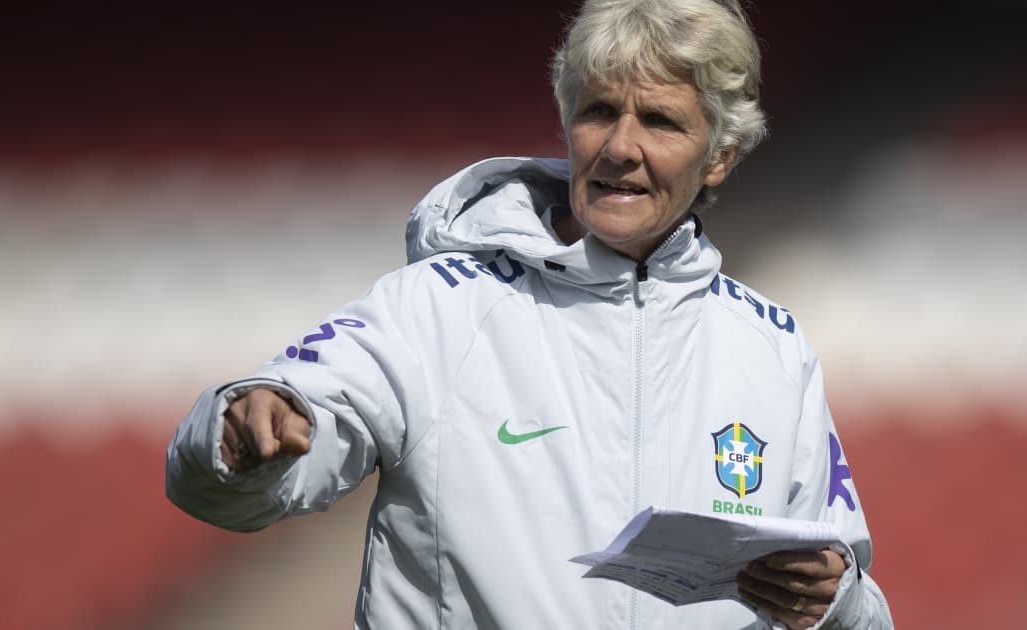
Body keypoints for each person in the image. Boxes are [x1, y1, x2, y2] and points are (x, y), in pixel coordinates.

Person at [166, 1, 894, 628]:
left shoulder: (772, 348)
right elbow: (253, 468)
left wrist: (833, 602)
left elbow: (849, 599)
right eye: (600, 112)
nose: (620, 147)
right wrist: (240, 431)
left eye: (662, 121)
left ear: (720, 157)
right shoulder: (438, 307)